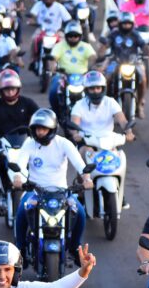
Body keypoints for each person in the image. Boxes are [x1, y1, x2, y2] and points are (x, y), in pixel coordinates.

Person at [11, 109, 91, 264]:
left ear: (52, 129)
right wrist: (17, 179)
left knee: (80, 212)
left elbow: (80, 165)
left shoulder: (64, 143)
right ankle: (19, 250)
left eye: (43, 128)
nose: (40, 132)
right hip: (35, 191)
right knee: (21, 211)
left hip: (62, 192)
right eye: (37, 128)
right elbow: (20, 164)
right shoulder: (29, 143)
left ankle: (75, 247)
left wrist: (87, 179)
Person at [0, 70, 39, 215]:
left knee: (38, 163)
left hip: (26, 143)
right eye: (7, 89)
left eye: (12, 88)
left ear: (18, 88)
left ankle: (41, 196)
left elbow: (39, 118)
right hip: (1, 143)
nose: (10, 91)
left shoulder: (28, 103)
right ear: (1, 90)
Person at [69, 70, 135, 148]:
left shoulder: (111, 102)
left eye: (98, 88)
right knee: (86, 152)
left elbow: (123, 121)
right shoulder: (79, 105)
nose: (95, 91)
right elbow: (74, 124)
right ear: (86, 90)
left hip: (109, 141)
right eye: (92, 88)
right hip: (86, 142)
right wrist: (75, 134)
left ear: (103, 88)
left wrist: (129, 132)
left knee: (119, 158)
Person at [48, 22, 97, 111]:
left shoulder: (86, 46)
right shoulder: (60, 45)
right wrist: (53, 67)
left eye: (76, 36)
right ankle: (56, 112)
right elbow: (53, 58)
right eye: (70, 36)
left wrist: (94, 65)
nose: (73, 38)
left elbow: (93, 57)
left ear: (80, 36)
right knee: (53, 90)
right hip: (63, 76)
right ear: (66, 36)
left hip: (83, 76)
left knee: (96, 90)